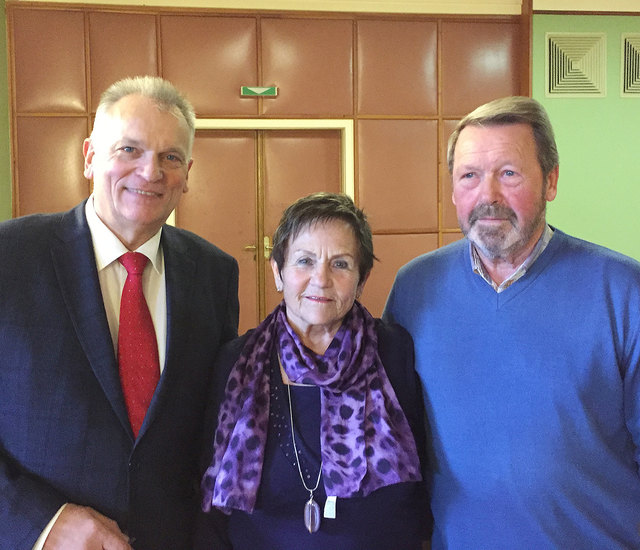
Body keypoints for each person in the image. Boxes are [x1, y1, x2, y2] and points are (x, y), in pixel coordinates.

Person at [384, 96, 640, 548]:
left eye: (509, 173)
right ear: (452, 189)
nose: (488, 197)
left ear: (551, 181)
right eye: (469, 176)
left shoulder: (622, 291)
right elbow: (392, 438)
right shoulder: (415, 289)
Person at [0, 76, 239, 550]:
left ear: (187, 173)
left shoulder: (215, 272)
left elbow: (212, 427)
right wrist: (40, 524)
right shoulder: (11, 257)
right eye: (129, 149)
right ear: (90, 156)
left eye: (170, 157)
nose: (150, 172)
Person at [196, 192, 429, 549]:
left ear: (361, 279)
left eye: (340, 264)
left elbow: (423, 488)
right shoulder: (236, 364)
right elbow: (210, 505)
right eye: (304, 261)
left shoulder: (395, 354)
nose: (321, 279)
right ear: (278, 273)